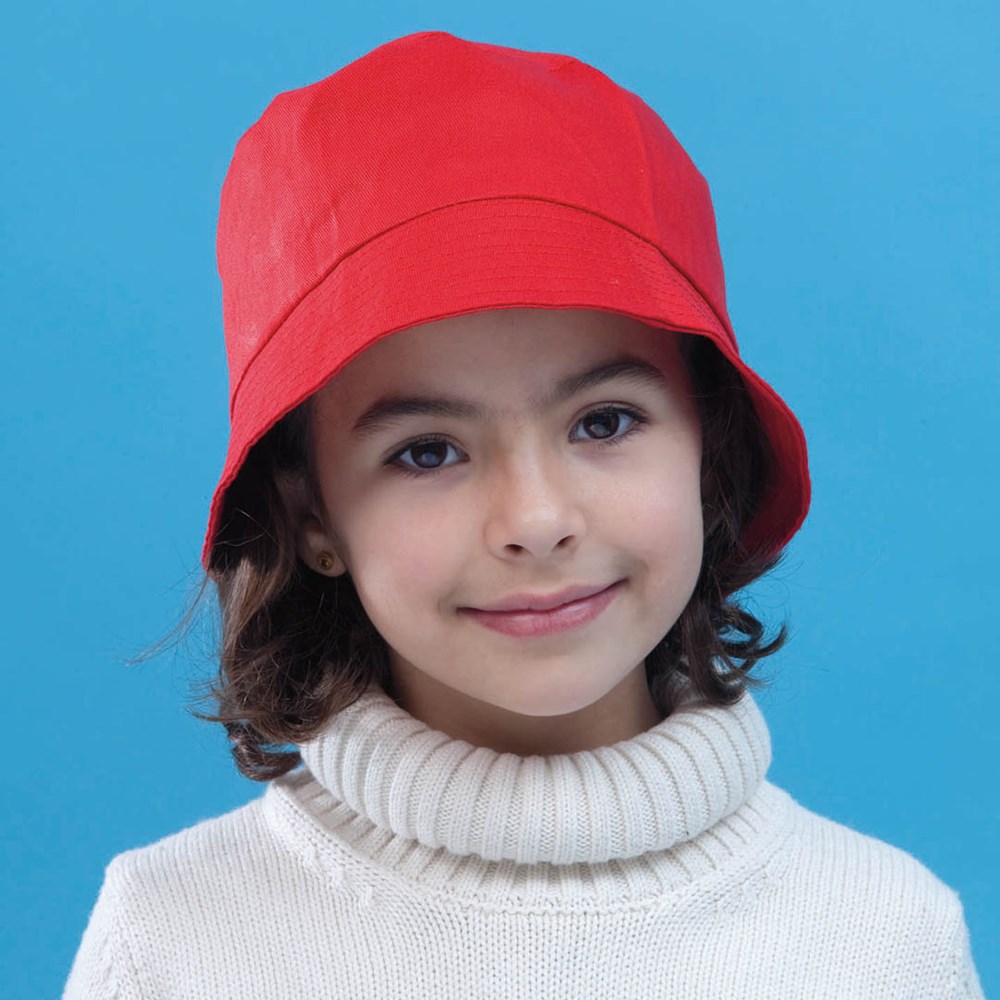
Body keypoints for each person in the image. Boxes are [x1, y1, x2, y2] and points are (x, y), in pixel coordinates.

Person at [63, 30, 985, 999]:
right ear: (311, 515)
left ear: (707, 452)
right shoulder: (171, 942)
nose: (537, 519)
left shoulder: (884, 939)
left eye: (604, 421)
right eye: (427, 451)